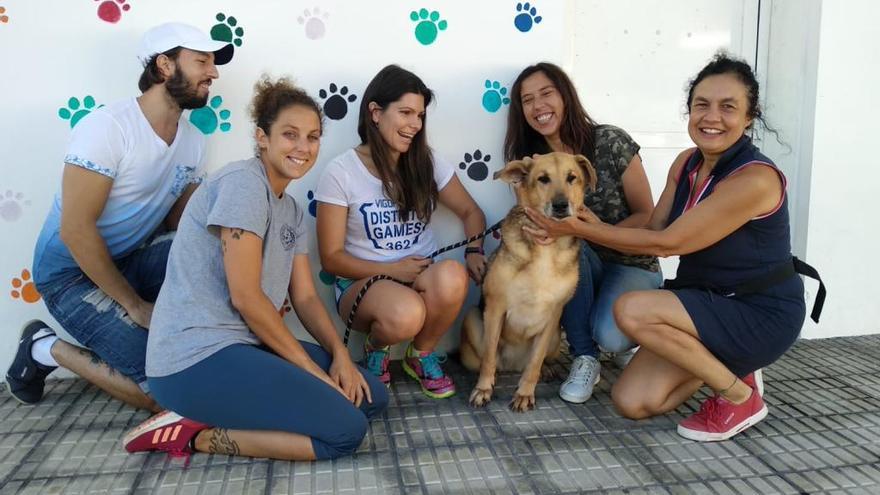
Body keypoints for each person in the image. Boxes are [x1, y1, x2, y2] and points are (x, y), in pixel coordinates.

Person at [524, 53, 822, 441]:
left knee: (632, 309)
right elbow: (653, 224)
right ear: (689, 111)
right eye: (701, 105)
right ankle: (732, 364)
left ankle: (738, 396)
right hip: (704, 303)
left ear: (750, 116)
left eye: (727, 107)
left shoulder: (756, 179)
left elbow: (668, 243)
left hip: (757, 309)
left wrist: (578, 232)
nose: (711, 117)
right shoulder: (687, 163)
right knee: (631, 401)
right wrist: (590, 223)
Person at [123, 76, 388, 461]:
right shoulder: (243, 184)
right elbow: (246, 297)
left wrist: (341, 355)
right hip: (193, 359)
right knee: (347, 430)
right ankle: (190, 432)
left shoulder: (292, 211)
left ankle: (271, 405)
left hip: (246, 347)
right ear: (262, 137)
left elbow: (306, 296)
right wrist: (311, 374)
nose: (303, 147)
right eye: (290, 135)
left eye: (312, 137)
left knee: (370, 395)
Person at [6, 23, 233, 410]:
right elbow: (76, 231)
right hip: (70, 275)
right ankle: (44, 348)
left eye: (212, 64)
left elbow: (183, 229)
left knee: (221, 246)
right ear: (164, 66)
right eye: (201, 62)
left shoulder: (193, 140)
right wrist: (134, 305)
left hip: (130, 258)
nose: (213, 73)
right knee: (167, 392)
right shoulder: (108, 128)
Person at [315, 64, 487, 399]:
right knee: (407, 311)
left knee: (452, 275)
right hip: (362, 284)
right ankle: (377, 349)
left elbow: (471, 212)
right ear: (375, 113)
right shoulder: (340, 172)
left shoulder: (427, 162)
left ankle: (420, 354)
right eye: (405, 112)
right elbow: (331, 259)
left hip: (418, 274)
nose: (415, 125)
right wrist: (391, 269)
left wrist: (474, 250)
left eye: (420, 115)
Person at [504, 62, 662, 404]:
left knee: (612, 334)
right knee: (566, 247)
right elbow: (532, 221)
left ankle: (618, 335)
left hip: (631, 262)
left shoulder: (610, 141)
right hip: (578, 262)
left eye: (546, 93)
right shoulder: (531, 164)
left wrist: (595, 230)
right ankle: (584, 356)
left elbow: (647, 215)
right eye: (527, 100)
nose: (538, 106)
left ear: (566, 96)